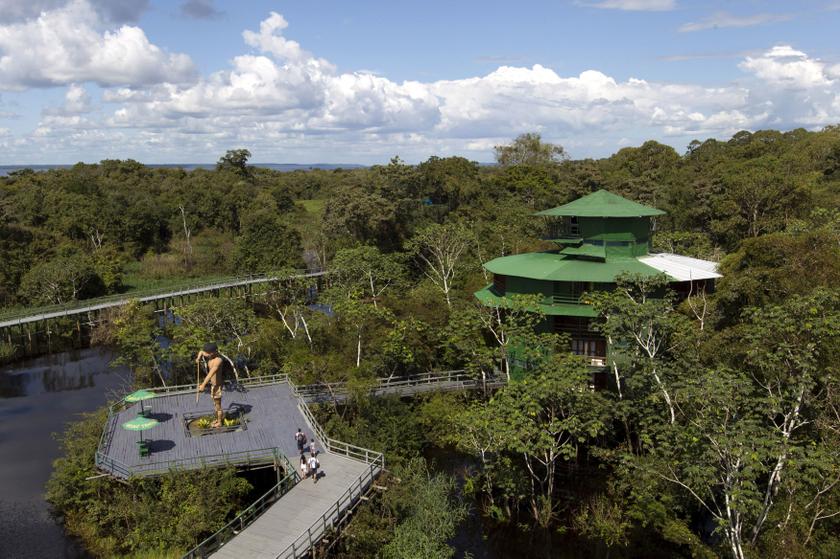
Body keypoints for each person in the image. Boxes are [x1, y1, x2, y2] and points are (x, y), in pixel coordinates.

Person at [196, 342, 224, 428]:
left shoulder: (218, 360)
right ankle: (217, 418)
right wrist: (198, 358)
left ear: (212, 352)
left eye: (207, 353)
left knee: (218, 406)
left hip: (217, 387)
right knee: (215, 404)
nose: (206, 355)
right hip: (213, 385)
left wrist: (203, 385)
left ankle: (219, 422)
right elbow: (201, 352)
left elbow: (211, 373)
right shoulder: (210, 355)